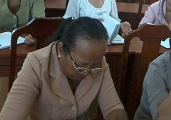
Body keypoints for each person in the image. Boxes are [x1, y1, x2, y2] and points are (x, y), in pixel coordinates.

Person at [0, 17, 128, 120]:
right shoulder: (36, 63)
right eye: (80, 65)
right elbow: (11, 115)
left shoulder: (98, 63)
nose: (88, 71)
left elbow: (113, 108)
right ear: (61, 49)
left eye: (94, 65)